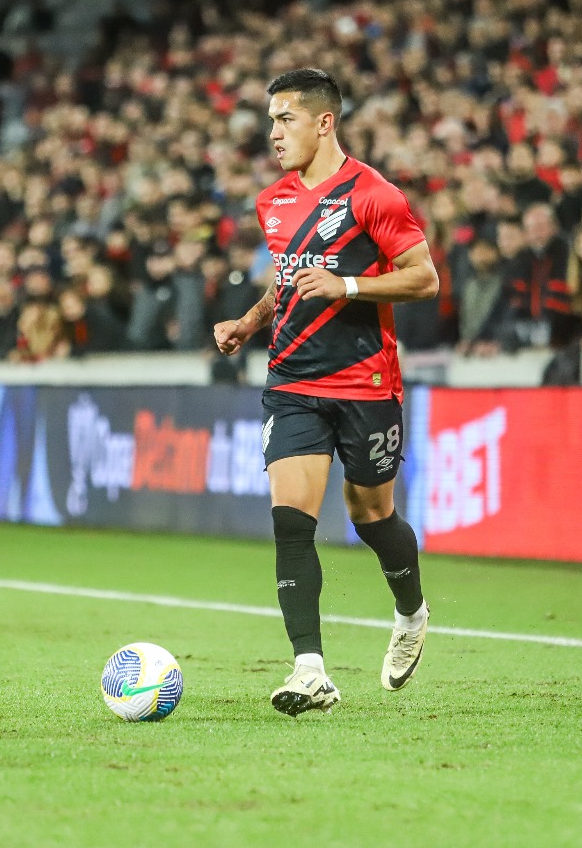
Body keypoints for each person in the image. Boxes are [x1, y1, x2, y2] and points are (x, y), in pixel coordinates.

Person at [212, 69, 439, 717]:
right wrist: (250, 322)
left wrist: (350, 288)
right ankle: (309, 668)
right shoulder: (273, 202)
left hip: (365, 381)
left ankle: (411, 609)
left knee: (372, 516)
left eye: (285, 119)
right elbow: (286, 279)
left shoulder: (375, 195)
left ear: (324, 121)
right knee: (291, 523)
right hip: (292, 381)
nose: (274, 133)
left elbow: (423, 278)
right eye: (271, 120)